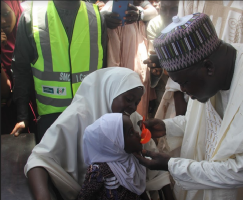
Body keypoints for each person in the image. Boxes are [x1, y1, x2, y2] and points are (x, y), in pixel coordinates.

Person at [134, 13, 243, 200]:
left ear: (209, 68)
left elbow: (242, 170)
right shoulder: (221, 65)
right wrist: (167, 127)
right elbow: (211, 125)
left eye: (185, 82)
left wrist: (172, 165)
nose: (184, 90)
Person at [24, 68, 170, 200]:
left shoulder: (132, 118)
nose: (132, 107)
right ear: (111, 91)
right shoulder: (77, 118)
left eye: (136, 102)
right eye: (129, 99)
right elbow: (39, 159)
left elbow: (154, 167)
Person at [10, 0, 107, 142]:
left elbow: (104, 67)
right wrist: (23, 116)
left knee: (89, 162)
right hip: (51, 118)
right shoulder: (32, 16)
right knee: (54, 163)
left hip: (90, 114)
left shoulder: (96, 16)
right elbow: (21, 69)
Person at [101, 0, 158, 118]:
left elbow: (154, 12)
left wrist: (140, 14)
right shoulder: (114, 13)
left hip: (141, 84)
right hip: (125, 89)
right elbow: (113, 62)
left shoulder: (139, 11)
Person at [77, 113, 149, 200]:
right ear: (115, 144)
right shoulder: (100, 170)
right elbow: (84, 196)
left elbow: (140, 189)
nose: (137, 133)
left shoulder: (132, 159)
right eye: (131, 133)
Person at [1, 0, 37, 135]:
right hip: (10, 117)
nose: (2, 21)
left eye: (5, 14)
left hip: (37, 107)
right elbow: (5, 90)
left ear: (15, 9)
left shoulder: (33, 30)